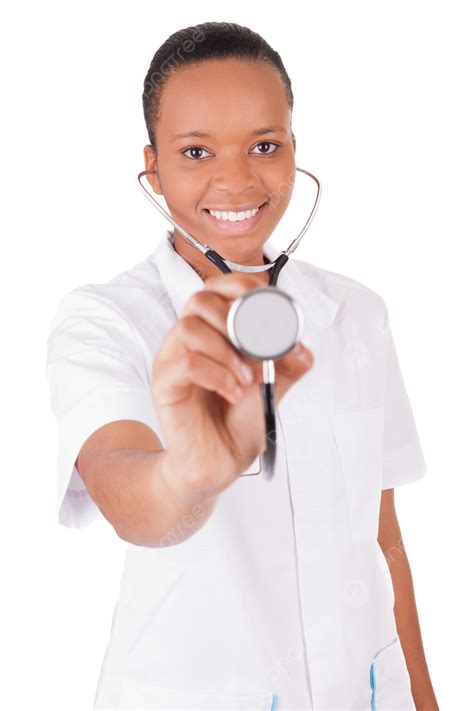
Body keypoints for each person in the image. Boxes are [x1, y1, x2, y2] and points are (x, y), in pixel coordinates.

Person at [46, 21, 439, 711]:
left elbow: (385, 543)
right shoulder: (104, 321)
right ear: (153, 167)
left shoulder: (358, 314)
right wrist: (190, 473)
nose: (235, 178)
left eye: (264, 145)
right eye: (195, 151)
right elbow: (129, 497)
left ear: (294, 151)